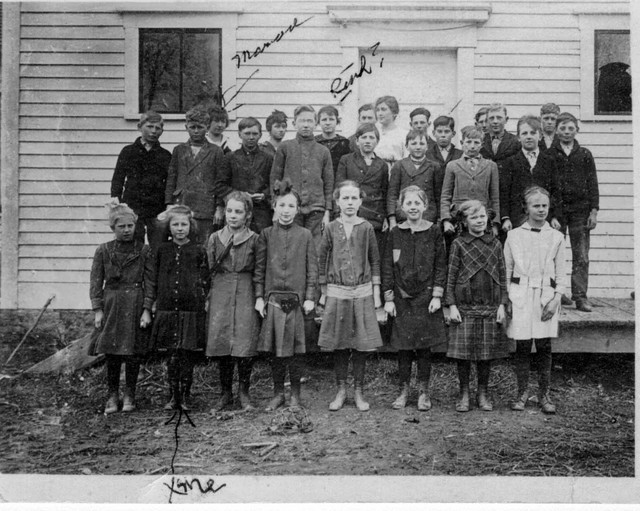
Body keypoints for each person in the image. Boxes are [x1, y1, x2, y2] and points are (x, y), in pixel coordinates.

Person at [318, 180, 383, 412]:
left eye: (354, 198)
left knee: (360, 344)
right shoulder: (330, 228)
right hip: (337, 292)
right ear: (337, 202)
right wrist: (323, 291)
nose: (349, 203)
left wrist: (376, 294)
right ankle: (341, 389)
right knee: (340, 343)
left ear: (360, 201)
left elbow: (375, 260)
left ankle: (358, 391)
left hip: (362, 291)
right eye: (345, 198)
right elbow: (322, 257)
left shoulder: (366, 227)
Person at [254, 180, 318, 411]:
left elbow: (312, 269)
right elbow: (259, 269)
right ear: (274, 206)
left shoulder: (305, 235)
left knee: (294, 350)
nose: (286, 210)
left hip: (295, 300)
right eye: (282, 205)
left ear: (298, 209)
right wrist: (259, 297)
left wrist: (310, 296)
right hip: (273, 300)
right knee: (276, 351)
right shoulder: (266, 235)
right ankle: (278, 393)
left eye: (291, 206)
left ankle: (295, 396)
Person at [382, 186, 446, 411]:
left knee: (424, 347)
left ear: (425, 206)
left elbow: (440, 265)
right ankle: (403, 391)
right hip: (401, 298)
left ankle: (424, 392)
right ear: (401, 207)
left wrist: (437, 295)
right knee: (404, 347)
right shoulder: (395, 232)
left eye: (417, 203)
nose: (413, 207)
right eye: (408, 203)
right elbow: (388, 267)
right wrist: (389, 298)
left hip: (426, 298)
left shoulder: (434, 231)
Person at [504, 186, 566, 414]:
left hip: (545, 297)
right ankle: (521, 393)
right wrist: (507, 299)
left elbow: (561, 273)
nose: (541, 210)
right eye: (535, 206)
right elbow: (507, 270)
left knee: (544, 346)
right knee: (522, 345)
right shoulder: (514, 235)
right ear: (526, 208)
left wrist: (556, 299)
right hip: (520, 295)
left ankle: (544, 394)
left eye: (544, 206)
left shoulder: (557, 237)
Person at [445, 200, 508, 412]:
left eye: (482, 216)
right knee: (463, 355)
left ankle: (482, 392)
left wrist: (502, 304)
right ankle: (463, 392)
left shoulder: (496, 244)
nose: (480, 221)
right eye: (474, 217)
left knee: (485, 354)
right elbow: (451, 275)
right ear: (464, 221)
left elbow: (502, 275)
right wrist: (451, 305)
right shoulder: (458, 244)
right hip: (465, 307)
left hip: (490, 306)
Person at [90, 204, 153, 414]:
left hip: (134, 303)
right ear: (112, 228)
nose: (127, 230)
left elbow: (150, 282)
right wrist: (98, 310)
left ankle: (130, 394)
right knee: (112, 353)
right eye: (122, 226)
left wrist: (146, 309)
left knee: (132, 352)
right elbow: (95, 283)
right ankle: (111, 395)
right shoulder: (103, 250)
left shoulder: (143, 250)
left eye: (130, 226)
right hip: (111, 304)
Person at [149, 205, 210, 410]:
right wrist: (154, 303)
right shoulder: (161, 250)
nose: (180, 228)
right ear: (169, 227)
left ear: (190, 227)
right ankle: (172, 396)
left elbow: (205, 279)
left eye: (184, 224)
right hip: (167, 308)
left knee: (186, 353)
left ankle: (185, 396)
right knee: (172, 354)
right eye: (175, 224)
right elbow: (154, 279)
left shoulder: (198, 250)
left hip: (189, 309)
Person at [206, 192, 260, 412]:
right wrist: (209, 297)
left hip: (246, 289)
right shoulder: (214, 238)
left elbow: (259, 270)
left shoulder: (255, 239)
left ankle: (244, 392)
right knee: (222, 340)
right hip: (221, 289)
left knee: (244, 340)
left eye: (238, 212)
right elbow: (209, 270)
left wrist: (258, 297)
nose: (233, 216)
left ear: (247, 215)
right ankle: (225, 393)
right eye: (229, 211)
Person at [548, 112, 599, 312]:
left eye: (571, 128)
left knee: (581, 256)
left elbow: (593, 183)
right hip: (558, 213)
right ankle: (555, 295)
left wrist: (593, 211)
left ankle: (580, 297)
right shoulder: (549, 155)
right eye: (563, 128)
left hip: (581, 212)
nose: (567, 132)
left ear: (577, 130)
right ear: (557, 131)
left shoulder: (585, 154)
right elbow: (546, 185)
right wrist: (551, 215)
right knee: (553, 256)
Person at [270, 104, 333, 250]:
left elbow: (329, 183)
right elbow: (275, 179)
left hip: (316, 209)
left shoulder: (323, 151)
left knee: (314, 248)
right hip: (290, 208)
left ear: (316, 124)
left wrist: (327, 212)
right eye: (302, 121)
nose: (306, 125)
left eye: (310, 121)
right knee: (290, 247)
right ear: (294, 123)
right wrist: (275, 207)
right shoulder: (285, 147)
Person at [110, 111, 171, 252]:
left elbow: (169, 183)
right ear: (139, 126)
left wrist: (167, 206)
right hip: (132, 207)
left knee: (158, 246)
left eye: (158, 128)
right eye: (150, 127)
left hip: (156, 209)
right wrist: (118, 203)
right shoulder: (128, 151)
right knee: (133, 245)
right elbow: (118, 178)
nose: (153, 131)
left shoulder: (165, 155)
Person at [165, 108, 224, 245]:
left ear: (207, 127)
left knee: (204, 246)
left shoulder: (216, 151)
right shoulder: (179, 150)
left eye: (200, 127)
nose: (196, 131)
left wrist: (219, 207)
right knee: (182, 243)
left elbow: (221, 181)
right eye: (192, 127)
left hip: (205, 206)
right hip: (182, 205)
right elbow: (171, 178)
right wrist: (169, 203)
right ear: (186, 127)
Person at [499, 115, 562, 233]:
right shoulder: (511, 162)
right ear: (518, 137)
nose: (528, 137)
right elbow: (504, 192)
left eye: (533, 133)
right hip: (517, 217)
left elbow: (556, 190)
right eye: (524, 133)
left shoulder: (549, 161)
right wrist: (505, 218)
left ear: (540, 136)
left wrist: (555, 216)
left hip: (543, 216)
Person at [336, 122, 389, 253]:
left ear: (377, 141)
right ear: (357, 140)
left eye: (372, 138)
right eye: (364, 137)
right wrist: (338, 214)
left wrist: (385, 217)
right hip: (352, 213)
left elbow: (385, 192)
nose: (367, 141)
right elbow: (339, 189)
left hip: (374, 216)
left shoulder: (382, 165)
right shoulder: (346, 160)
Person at [214, 117, 273, 233]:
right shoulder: (230, 158)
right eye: (247, 133)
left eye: (255, 134)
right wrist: (238, 195)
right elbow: (220, 185)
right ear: (239, 134)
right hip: (236, 213)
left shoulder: (268, 158)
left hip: (261, 214)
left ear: (260, 135)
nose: (251, 137)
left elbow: (274, 183)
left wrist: (264, 195)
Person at [440, 126, 500, 238]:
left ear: (482, 144)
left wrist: (495, 223)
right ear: (462, 143)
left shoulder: (491, 166)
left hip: (482, 218)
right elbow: (445, 196)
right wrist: (446, 220)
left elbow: (495, 197)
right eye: (468, 142)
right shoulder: (452, 166)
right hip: (459, 218)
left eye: (476, 142)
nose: (472, 146)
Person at [387, 130, 439, 229]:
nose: (418, 147)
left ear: (427, 146)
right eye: (414, 143)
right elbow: (392, 195)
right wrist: (392, 219)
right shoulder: (399, 165)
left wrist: (439, 220)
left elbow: (438, 196)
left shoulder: (434, 167)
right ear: (407, 146)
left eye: (422, 143)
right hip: (403, 216)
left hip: (427, 217)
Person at [425, 115, 464, 223]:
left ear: (453, 134)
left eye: (447, 131)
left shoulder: (460, 155)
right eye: (439, 131)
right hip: (432, 204)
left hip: (453, 204)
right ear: (433, 133)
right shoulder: (427, 154)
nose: (443, 135)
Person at [479, 103, 520, 170]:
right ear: (487, 121)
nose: (495, 121)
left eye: (499, 118)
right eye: (491, 118)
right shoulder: (481, 140)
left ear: (506, 119)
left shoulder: (515, 141)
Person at [315, 105, 351, 177]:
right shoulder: (314, 142)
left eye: (331, 119)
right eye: (324, 119)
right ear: (319, 122)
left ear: (337, 121)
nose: (328, 123)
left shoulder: (344, 143)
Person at [374, 95, 408, 167]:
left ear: (394, 112)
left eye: (383, 109)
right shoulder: (373, 132)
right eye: (378, 110)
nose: (379, 113)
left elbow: (407, 159)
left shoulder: (404, 134)